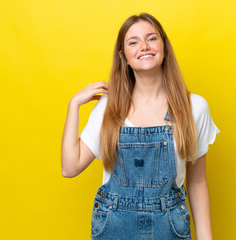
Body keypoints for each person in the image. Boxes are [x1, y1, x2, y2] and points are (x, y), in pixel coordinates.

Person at [61, 13, 220, 240]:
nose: (143, 46)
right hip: (113, 229)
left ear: (164, 48)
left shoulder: (194, 107)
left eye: (151, 38)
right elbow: (70, 168)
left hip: (170, 229)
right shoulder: (109, 107)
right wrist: (73, 105)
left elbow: (197, 182)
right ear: (124, 56)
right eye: (133, 42)